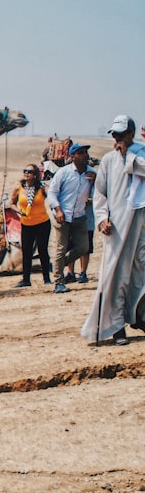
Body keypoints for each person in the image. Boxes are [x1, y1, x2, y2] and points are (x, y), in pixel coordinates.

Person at [81, 115, 145, 345]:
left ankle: (140, 318)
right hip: (117, 228)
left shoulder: (141, 154)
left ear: (131, 134)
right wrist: (102, 218)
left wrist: (130, 157)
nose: (117, 139)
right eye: (114, 135)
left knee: (141, 274)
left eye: (121, 134)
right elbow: (100, 194)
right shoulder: (108, 160)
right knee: (115, 276)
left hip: (142, 224)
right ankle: (116, 327)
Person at [46, 143, 94, 294]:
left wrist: (95, 181)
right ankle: (58, 282)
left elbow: (97, 194)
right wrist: (58, 210)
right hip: (63, 215)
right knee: (61, 247)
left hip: (79, 216)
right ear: (73, 156)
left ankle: (57, 266)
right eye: (81, 153)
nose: (85, 155)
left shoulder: (91, 174)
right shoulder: (63, 173)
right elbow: (52, 193)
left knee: (83, 247)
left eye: (86, 152)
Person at [8, 163, 52, 287]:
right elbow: (11, 203)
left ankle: (46, 278)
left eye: (30, 172)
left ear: (35, 175)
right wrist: (19, 212)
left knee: (43, 250)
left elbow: (52, 196)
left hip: (42, 222)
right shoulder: (19, 188)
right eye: (25, 171)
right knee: (26, 251)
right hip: (26, 224)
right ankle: (26, 279)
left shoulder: (41, 188)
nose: (26, 173)